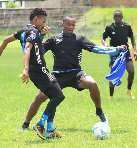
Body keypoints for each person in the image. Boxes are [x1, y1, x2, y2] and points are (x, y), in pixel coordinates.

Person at [18, 15, 127, 133]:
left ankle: (99, 111)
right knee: (40, 97)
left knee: (93, 84)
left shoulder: (79, 39)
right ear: (62, 24)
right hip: (58, 75)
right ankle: (25, 124)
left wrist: (116, 49)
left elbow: (97, 48)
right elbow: (40, 51)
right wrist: (43, 35)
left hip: (76, 73)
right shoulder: (54, 39)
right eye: (68, 24)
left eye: (73, 25)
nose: (71, 27)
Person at [13, 8, 65, 140]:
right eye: (43, 21)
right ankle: (40, 124)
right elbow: (28, 48)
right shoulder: (33, 30)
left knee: (53, 95)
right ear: (36, 19)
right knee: (59, 96)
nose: (44, 24)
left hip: (37, 70)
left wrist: (42, 35)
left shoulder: (25, 31)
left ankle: (50, 130)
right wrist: (25, 69)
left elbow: (6, 41)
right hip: (39, 70)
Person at [101, 10, 137, 100]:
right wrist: (105, 44)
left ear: (122, 17)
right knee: (113, 73)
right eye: (116, 16)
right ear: (113, 17)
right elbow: (103, 38)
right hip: (114, 52)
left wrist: (135, 50)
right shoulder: (109, 27)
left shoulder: (127, 27)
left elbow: (132, 38)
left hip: (125, 52)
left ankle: (128, 90)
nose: (118, 18)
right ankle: (111, 96)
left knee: (131, 71)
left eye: (119, 16)